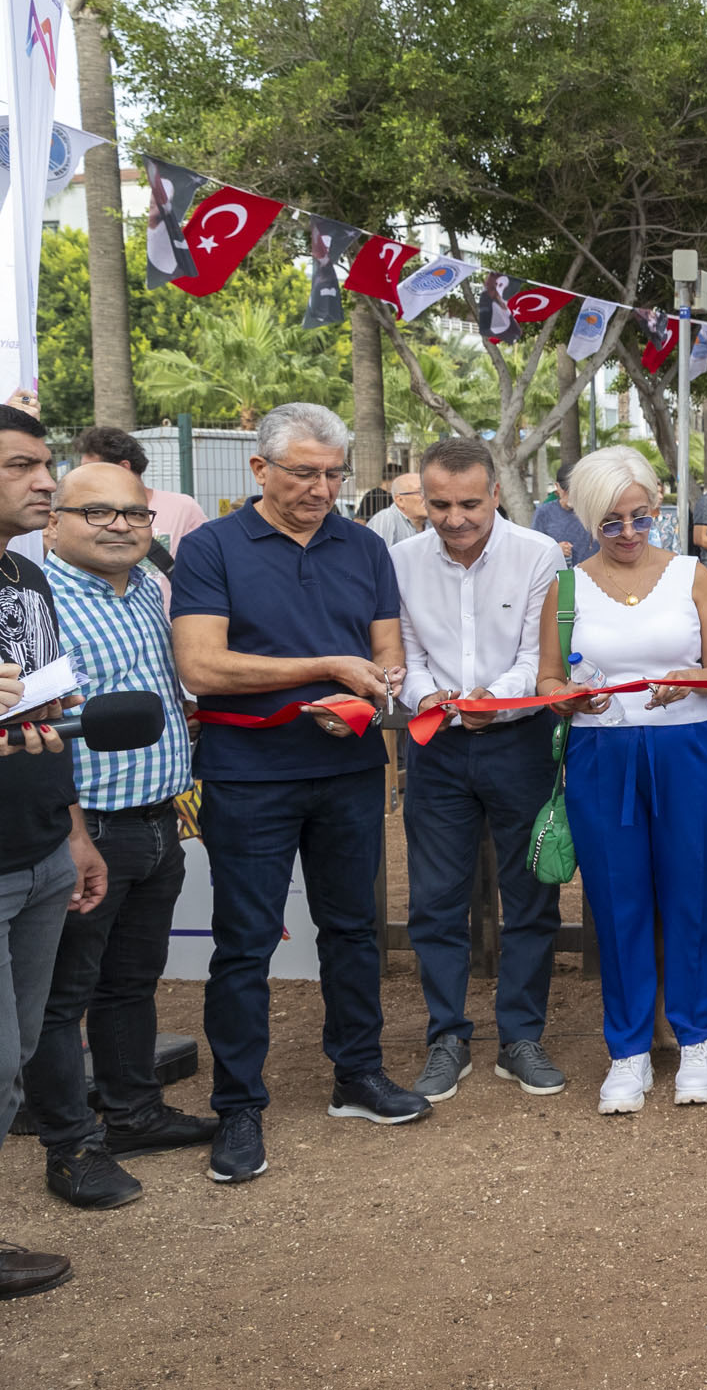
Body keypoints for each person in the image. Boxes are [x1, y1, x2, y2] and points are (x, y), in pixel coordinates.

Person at [170, 404, 426, 1187]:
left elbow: (388, 658)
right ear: (259, 470)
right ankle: (238, 1104)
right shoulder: (210, 547)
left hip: (348, 766)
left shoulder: (363, 545)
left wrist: (369, 686)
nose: (322, 487)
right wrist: (328, 667)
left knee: (354, 928)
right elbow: (203, 668)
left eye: (333, 473)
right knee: (245, 942)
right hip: (248, 772)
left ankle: (358, 1073)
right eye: (304, 472)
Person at [27, 465, 217, 1213]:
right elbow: (41, 729)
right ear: (53, 524)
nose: (119, 524)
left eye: (133, 512)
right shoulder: (37, 602)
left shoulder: (143, 587)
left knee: (132, 983)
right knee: (60, 999)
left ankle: (133, 1113)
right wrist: (75, 832)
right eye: (96, 510)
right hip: (89, 830)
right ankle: (71, 1147)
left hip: (156, 820)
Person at [536, 446, 707, 1115]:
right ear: (588, 518)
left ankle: (697, 1038)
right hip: (601, 752)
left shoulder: (691, 574)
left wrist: (685, 679)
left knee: (690, 890)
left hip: (685, 747)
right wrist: (569, 696)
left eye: (639, 518)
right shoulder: (565, 587)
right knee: (617, 902)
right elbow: (547, 681)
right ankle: (627, 1049)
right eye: (610, 522)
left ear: (657, 507)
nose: (626, 534)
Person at [394, 438, 568, 1104]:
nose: (456, 517)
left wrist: (501, 699)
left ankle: (521, 1035)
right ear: (422, 499)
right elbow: (403, 649)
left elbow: (539, 648)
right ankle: (448, 1036)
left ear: (495, 493)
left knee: (531, 894)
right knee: (436, 898)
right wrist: (424, 695)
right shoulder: (401, 559)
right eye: (439, 503)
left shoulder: (536, 553)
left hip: (519, 739)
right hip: (435, 745)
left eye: (470, 502)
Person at [0, 407, 107, 1298]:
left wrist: (71, 832)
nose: (45, 481)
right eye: (21, 467)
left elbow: (45, 722)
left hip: (38, 851)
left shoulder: (24, 584)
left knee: (19, 1053)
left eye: (45, 464)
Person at [74, 425, 207, 558]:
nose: (85, 478)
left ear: (123, 468)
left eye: (92, 470)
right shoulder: (88, 514)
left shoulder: (182, 508)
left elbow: (205, 559)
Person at [532, 459, 592, 566]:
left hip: (592, 574)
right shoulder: (544, 512)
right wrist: (555, 549)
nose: (570, 496)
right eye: (566, 490)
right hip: (561, 577)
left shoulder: (592, 509)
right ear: (557, 486)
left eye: (574, 491)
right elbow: (534, 548)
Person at [363, 472, 428, 546]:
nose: (429, 497)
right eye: (421, 492)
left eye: (429, 491)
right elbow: (376, 555)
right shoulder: (385, 520)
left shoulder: (433, 521)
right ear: (400, 500)